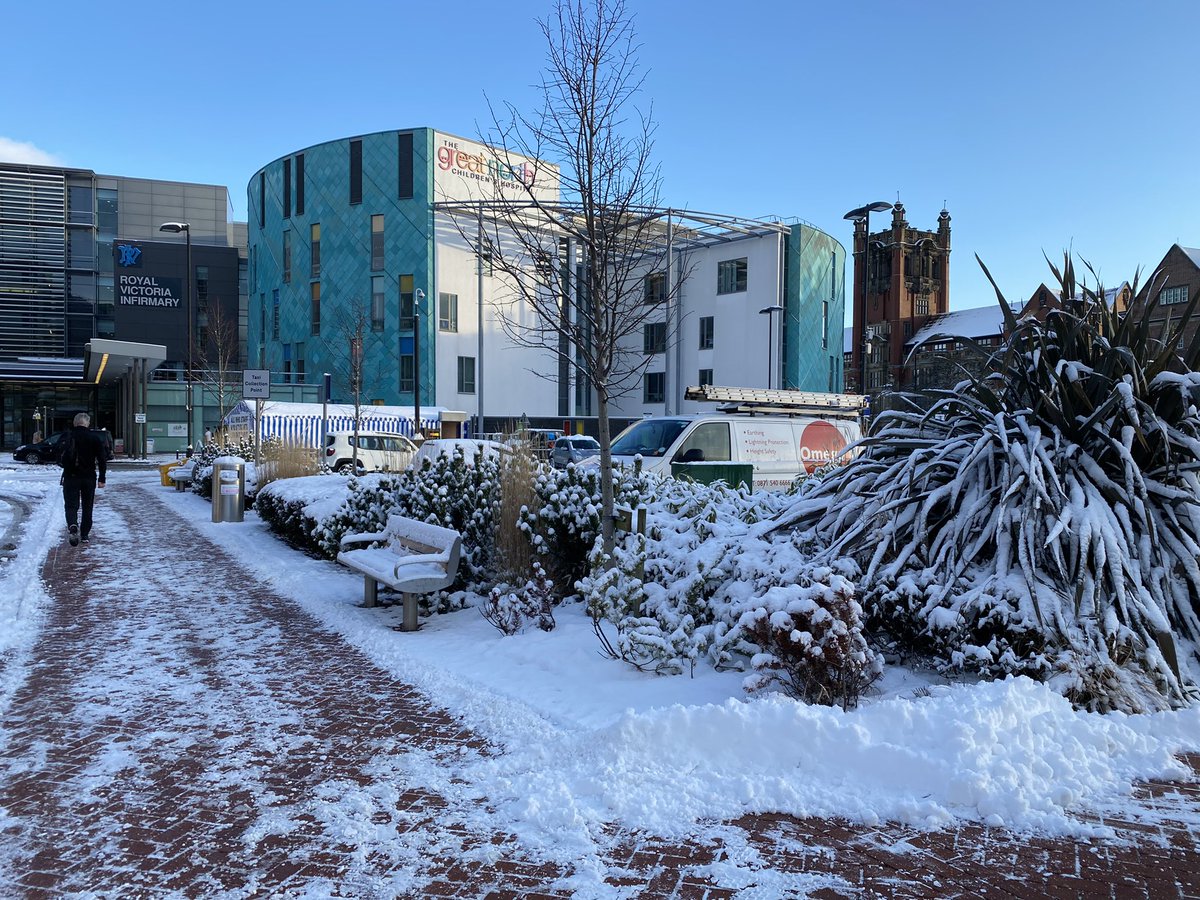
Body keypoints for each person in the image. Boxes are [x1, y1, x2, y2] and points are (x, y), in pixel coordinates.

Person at [61, 412, 106, 546]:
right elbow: (102, 459)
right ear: (87, 423)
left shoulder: (67, 436)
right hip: (88, 477)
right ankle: (85, 534)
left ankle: (73, 525)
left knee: (71, 505)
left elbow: (58, 455)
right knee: (88, 506)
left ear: (75, 423)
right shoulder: (94, 438)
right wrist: (102, 478)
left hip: (70, 476)